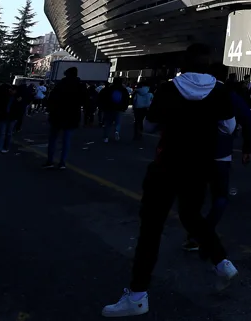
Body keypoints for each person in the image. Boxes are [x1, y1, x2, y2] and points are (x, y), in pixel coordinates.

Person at [102, 44, 238, 317]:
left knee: (151, 228)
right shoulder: (220, 91)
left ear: (183, 65)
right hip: (200, 166)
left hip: (167, 165)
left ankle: (138, 294)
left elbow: (150, 125)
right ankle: (221, 261)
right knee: (192, 215)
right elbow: (229, 126)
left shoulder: (168, 88)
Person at [184, 74, 251, 252]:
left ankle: (195, 233)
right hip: (220, 153)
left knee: (195, 196)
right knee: (220, 196)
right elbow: (248, 121)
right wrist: (248, 148)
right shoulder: (227, 95)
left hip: (193, 152)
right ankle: (202, 233)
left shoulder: (188, 91)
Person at [44, 67, 87, 169]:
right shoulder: (81, 86)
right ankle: (62, 162)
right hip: (72, 115)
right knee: (66, 140)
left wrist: (50, 110)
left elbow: (52, 99)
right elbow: (84, 101)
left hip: (58, 115)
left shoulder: (60, 84)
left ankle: (50, 161)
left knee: (53, 139)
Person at [0, 83, 23, 154]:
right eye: (10, 89)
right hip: (5, 117)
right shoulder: (5, 96)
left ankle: (5, 147)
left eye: (12, 89)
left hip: (11, 117)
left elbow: (19, 109)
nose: (11, 90)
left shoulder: (17, 98)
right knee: (3, 133)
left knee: (8, 133)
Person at [100, 79, 130, 143]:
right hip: (120, 109)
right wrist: (124, 107)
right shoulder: (124, 90)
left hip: (108, 108)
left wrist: (102, 107)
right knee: (118, 122)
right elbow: (127, 100)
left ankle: (106, 137)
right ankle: (117, 131)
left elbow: (101, 98)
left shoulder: (107, 89)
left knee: (107, 123)